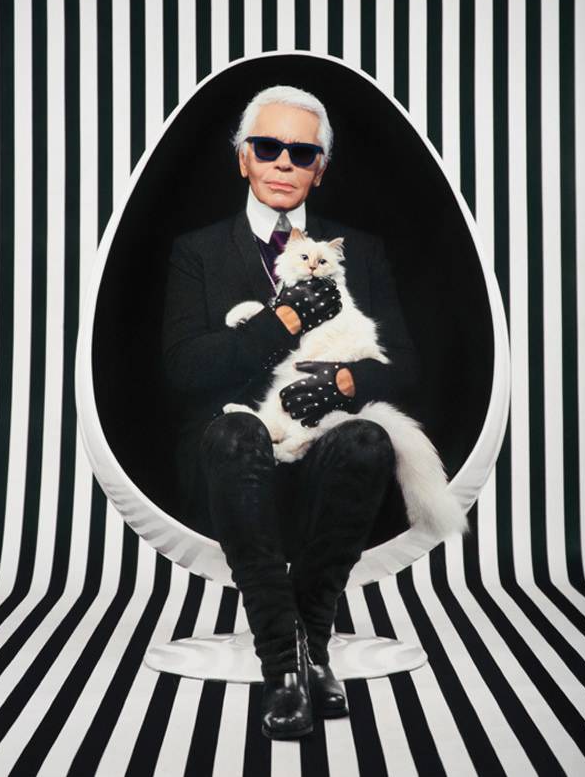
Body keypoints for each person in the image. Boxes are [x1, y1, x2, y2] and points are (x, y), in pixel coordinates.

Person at [160, 85, 421, 740]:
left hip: (323, 449)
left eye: (301, 152)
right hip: (229, 456)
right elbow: (185, 369)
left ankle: (313, 646)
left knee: (368, 441)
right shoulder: (198, 250)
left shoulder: (359, 250)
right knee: (234, 432)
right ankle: (285, 663)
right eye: (267, 147)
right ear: (242, 158)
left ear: (319, 169)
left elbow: (405, 366)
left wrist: (342, 380)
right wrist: (281, 322)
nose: (283, 161)